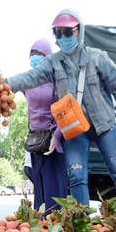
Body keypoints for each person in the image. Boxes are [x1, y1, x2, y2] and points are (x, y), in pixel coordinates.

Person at [4, 8, 116, 207]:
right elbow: (29, 77)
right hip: (75, 129)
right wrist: (4, 83)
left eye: (68, 32)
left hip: (104, 125)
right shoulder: (52, 63)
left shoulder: (98, 58)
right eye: (58, 33)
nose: (63, 37)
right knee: (77, 177)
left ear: (79, 31)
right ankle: (82, 224)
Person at [23, 38, 68, 214]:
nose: (35, 57)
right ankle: (41, 231)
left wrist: (57, 135)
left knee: (54, 190)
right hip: (36, 142)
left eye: (39, 54)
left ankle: (56, 231)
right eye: (32, 54)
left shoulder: (58, 79)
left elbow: (66, 111)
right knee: (40, 191)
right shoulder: (28, 80)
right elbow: (6, 87)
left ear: (48, 56)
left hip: (55, 142)